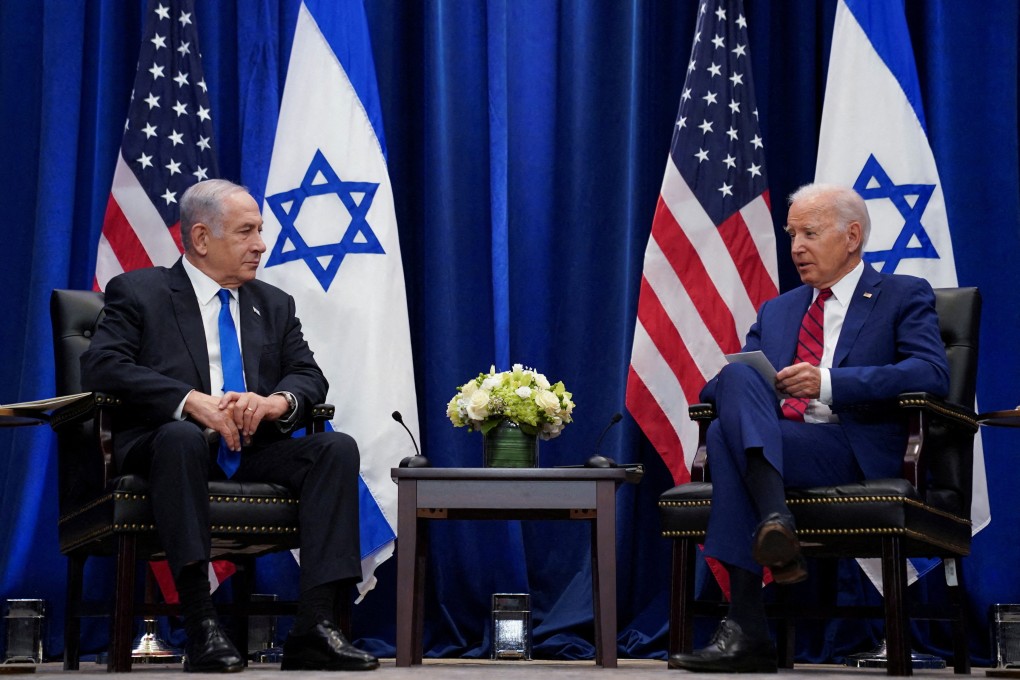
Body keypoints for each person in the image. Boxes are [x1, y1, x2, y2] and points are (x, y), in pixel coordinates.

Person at [81, 179, 378, 673]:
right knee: (179, 437)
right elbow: (103, 366)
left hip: (254, 448)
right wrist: (188, 401)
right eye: (246, 232)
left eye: (260, 230)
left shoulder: (274, 303)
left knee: (336, 449)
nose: (261, 244)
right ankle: (200, 624)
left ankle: (315, 627)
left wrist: (275, 402)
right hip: (170, 448)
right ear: (200, 238)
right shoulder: (140, 291)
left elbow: (308, 376)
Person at [668, 184, 950, 673]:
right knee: (731, 399)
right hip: (786, 442)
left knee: (724, 441)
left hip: (852, 446)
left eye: (810, 233)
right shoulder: (778, 309)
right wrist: (757, 390)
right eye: (792, 233)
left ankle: (749, 627)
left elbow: (931, 372)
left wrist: (829, 383)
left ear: (852, 236)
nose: (796, 246)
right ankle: (775, 524)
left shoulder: (901, 294)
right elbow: (718, 391)